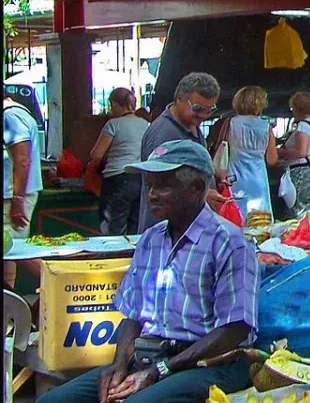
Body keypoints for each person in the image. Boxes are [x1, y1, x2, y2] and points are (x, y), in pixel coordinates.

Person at [38, 140, 257, 403]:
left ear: (198, 188)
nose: (152, 194)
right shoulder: (151, 239)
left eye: (163, 185)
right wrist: (118, 365)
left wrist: (161, 370)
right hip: (151, 357)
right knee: (53, 401)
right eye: (150, 185)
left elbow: (235, 329)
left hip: (209, 363)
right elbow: (133, 315)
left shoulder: (228, 242)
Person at [137, 72, 220, 233]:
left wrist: (214, 173)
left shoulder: (191, 124)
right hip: (165, 232)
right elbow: (160, 183)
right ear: (179, 99)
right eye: (197, 108)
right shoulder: (163, 133)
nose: (203, 115)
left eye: (210, 110)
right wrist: (202, 195)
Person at [90, 88, 150, 235]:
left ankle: (114, 255)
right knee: (135, 227)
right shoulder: (146, 124)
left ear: (116, 104)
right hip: (140, 178)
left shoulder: (113, 124)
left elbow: (96, 155)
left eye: (111, 106)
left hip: (118, 178)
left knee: (113, 229)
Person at [4, 97, 43, 288]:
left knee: (14, 249)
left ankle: (62, 282)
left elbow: (22, 159)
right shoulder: (16, 113)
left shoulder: (10, 116)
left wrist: (17, 199)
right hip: (14, 195)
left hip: (12, 197)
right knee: (9, 252)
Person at [223, 86, 278, 222]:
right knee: (259, 217)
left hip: (234, 175)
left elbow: (221, 148)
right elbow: (272, 160)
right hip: (258, 176)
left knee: (236, 213)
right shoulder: (266, 127)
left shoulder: (230, 123)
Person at [277, 92, 310, 214]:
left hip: (301, 174)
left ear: (299, 109)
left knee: (298, 212)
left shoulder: (303, 126)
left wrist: (280, 151)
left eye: (292, 108)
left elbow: (301, 152)